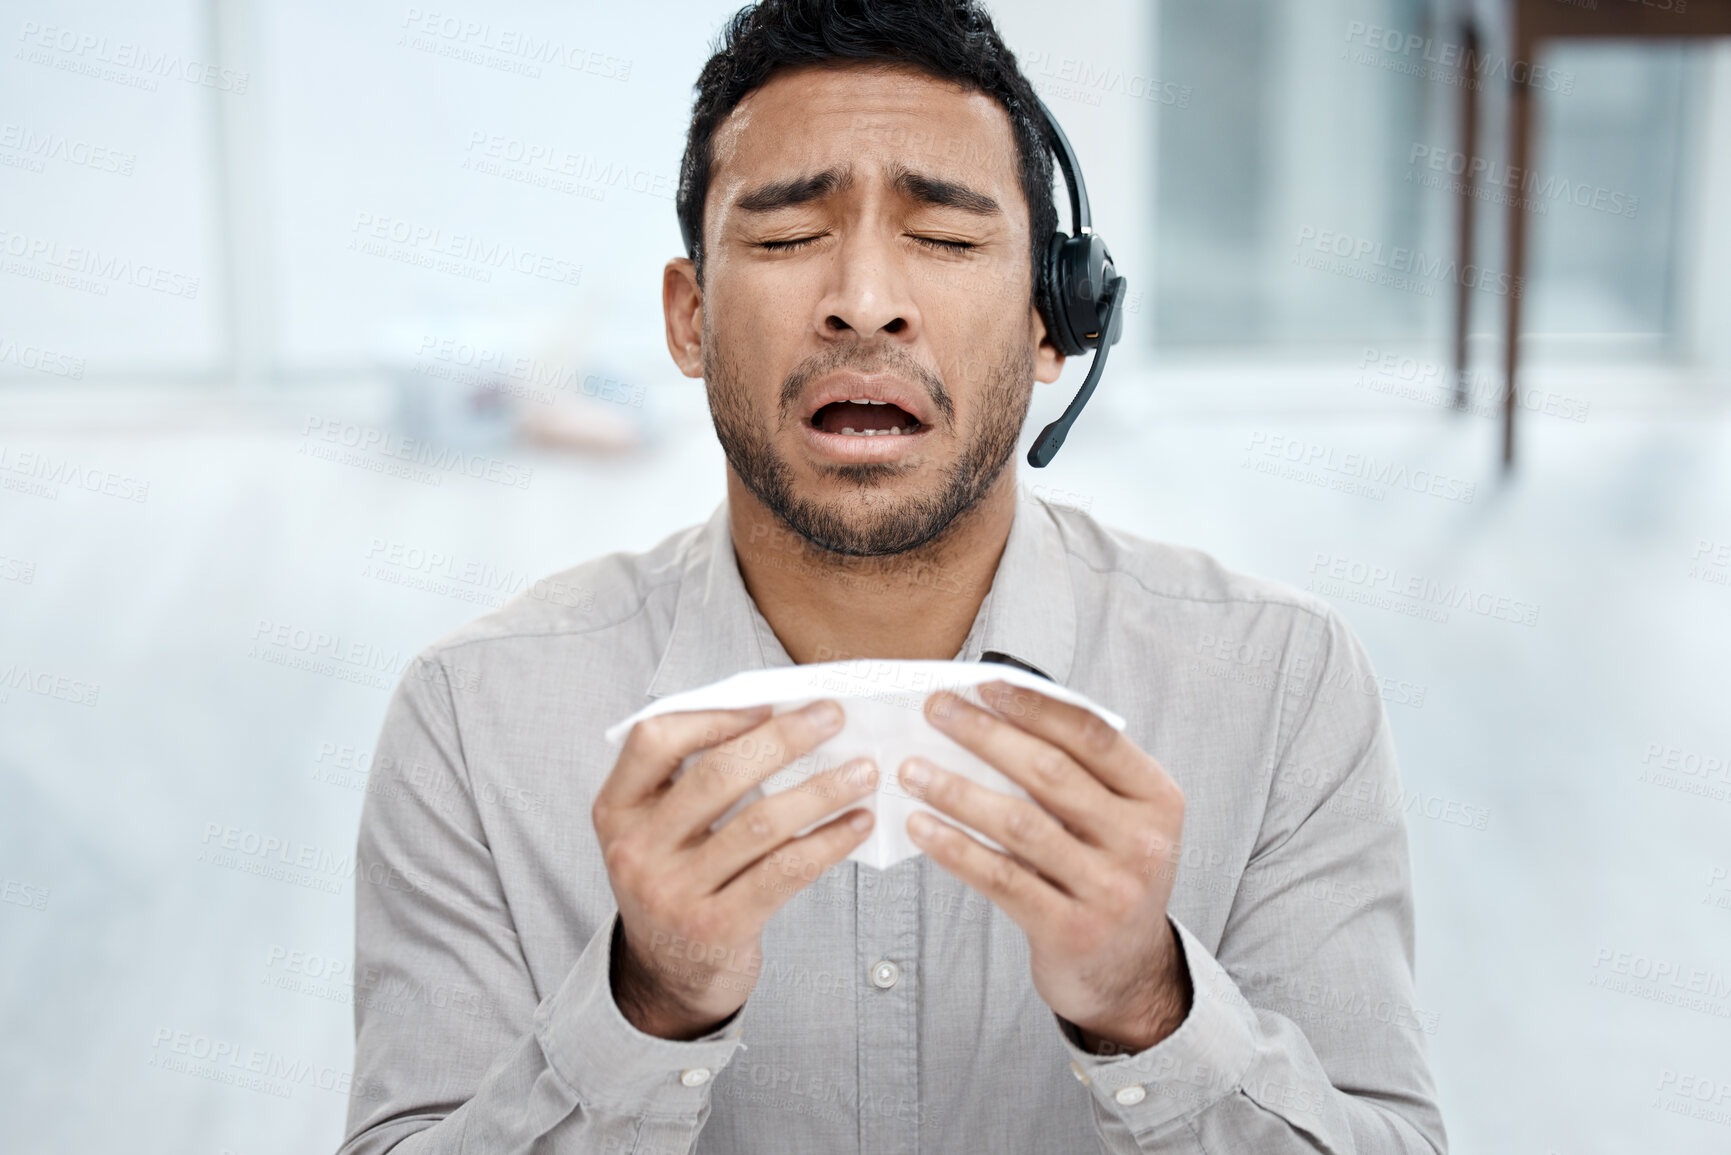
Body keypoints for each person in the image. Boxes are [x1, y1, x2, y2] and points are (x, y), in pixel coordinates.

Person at [340, 1, 1449, 1151]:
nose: (865, 299)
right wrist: (643, 1012)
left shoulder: (1280, 686)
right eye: (782, 238)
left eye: (949, 239)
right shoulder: (474, 719)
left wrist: (1150, 1009)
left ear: (1052, 325)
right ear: (690, 320)